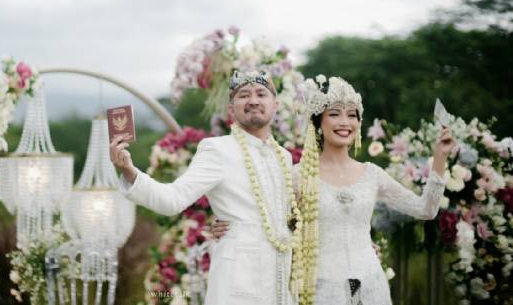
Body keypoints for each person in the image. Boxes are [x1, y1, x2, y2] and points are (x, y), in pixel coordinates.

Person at [211, 76, 455, 305]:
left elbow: (426, 209)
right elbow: (267, 221)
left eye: (352, 115)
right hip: (320, 289)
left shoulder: (372, 174)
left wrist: (440, 158)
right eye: (335, 114)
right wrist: (224, 222)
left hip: (371, 286)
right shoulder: (298, 176)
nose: (345, 122)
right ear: (318, 123)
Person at [110, 70, 300, 304]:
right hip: (238, 287)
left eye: (261, 94)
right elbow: (173, 199)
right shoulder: (217, 149)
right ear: (231, 109)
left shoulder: (283, 157)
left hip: (280, 287)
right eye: (243, 95)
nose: (253, 101)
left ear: (275, 105)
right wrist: (129, 171)